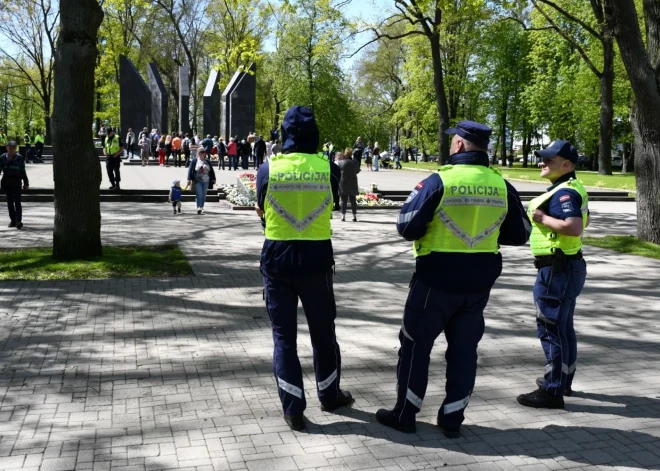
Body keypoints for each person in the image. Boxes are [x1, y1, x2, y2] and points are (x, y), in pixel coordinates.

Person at [376, 121, 531, 437]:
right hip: (477, 287)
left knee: (415, 348)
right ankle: (452, 419)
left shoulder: (438, 181)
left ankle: (405, 414)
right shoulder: (503, 186)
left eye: (452, 142)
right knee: (463, 352)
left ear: (460, 145)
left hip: (434, 283)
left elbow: (406, 227)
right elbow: (521, 234)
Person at [255, 106, 352, 431]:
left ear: (284, 135)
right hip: (316, 261)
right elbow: (333, 203)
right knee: (323, 333)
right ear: (315, 136)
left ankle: (293, 408)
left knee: (284, 337)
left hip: (277, 259)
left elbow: (261, 208)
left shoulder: (268, 168)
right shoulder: (329, 168)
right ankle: (329, 394)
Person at [517, 140, 589, 410]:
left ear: (566, 164)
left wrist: (541, 218)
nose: (542, 163)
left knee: (551, 329)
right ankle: (563, 380)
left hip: (556, 270)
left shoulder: (563, 195)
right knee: (563, 327)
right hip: (568, 267)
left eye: (549, 159)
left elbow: (573, 227)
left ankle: (552, 390)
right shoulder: (571, 188)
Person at [0, 141, 29, 229]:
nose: (12, 149)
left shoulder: (20, 157)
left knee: (17, 202)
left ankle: (18, 221)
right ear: (6, 148)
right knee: (9, 202)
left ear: (16, 148)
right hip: (7, 183)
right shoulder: (2, 158)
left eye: (13, 147)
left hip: (16, 182)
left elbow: (23, 171)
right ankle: (13, 220)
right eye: (10, 147)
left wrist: (26, 183)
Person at [187, 147, 216, 215]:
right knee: (199, 194)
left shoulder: (207, 161)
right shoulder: (194, 161)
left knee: (203, 195)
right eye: (201, 152)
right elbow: (190, 170)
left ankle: (202, 207)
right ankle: (198, 208)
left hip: (206, 180)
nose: (203, 154)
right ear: (198, 153)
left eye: (204, 152)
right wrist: (189, 179)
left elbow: (211, 170)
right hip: (197, 180)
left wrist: (213, 179)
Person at [337, 149, 360, 222]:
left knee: (344, 200)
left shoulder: (340, 163)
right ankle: (354, 216)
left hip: (343, 182)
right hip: (353, 182)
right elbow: (357, 171)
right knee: (353, 200)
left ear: (345, 154)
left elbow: (338, 171)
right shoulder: (355, 162)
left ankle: (343, 216)